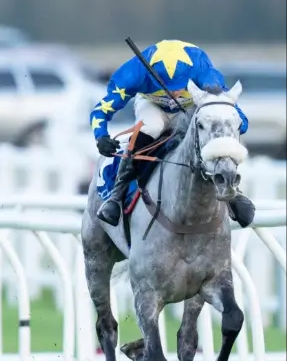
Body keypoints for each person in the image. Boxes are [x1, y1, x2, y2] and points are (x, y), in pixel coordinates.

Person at [91, 39, 254, 227]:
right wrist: (100, 136)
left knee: (210, 126)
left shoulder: (202, 69)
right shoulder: (133, 73)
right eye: (169, 87)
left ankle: (232, 190)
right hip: (152, 106)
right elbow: (100, 111)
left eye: (181, 86)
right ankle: (116, 197)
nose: (176, 92)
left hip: (191, 105)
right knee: (151, 128)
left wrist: (237, 122)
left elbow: (229, 109)